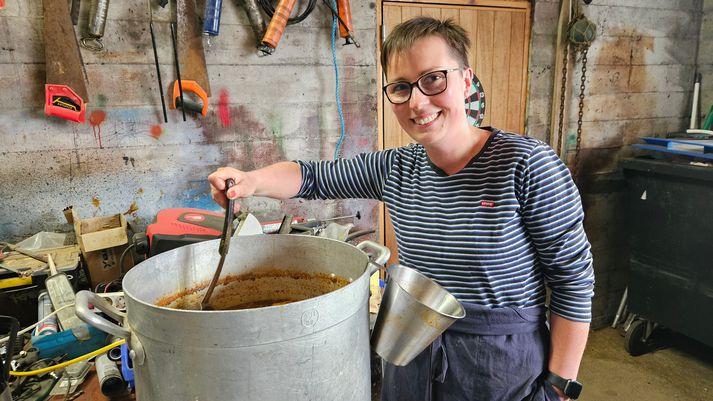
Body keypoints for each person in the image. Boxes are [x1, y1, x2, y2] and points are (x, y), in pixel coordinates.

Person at [209, 16, 594, 401]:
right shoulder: (396, 168)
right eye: (401, 87)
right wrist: (251, 180)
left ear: (465, 79)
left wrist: (559, 387)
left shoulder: (526, 165)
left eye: (433, 79)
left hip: (499, 369)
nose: (417, 101)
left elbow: (572, 281)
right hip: (411, 354)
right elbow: (311, 177)